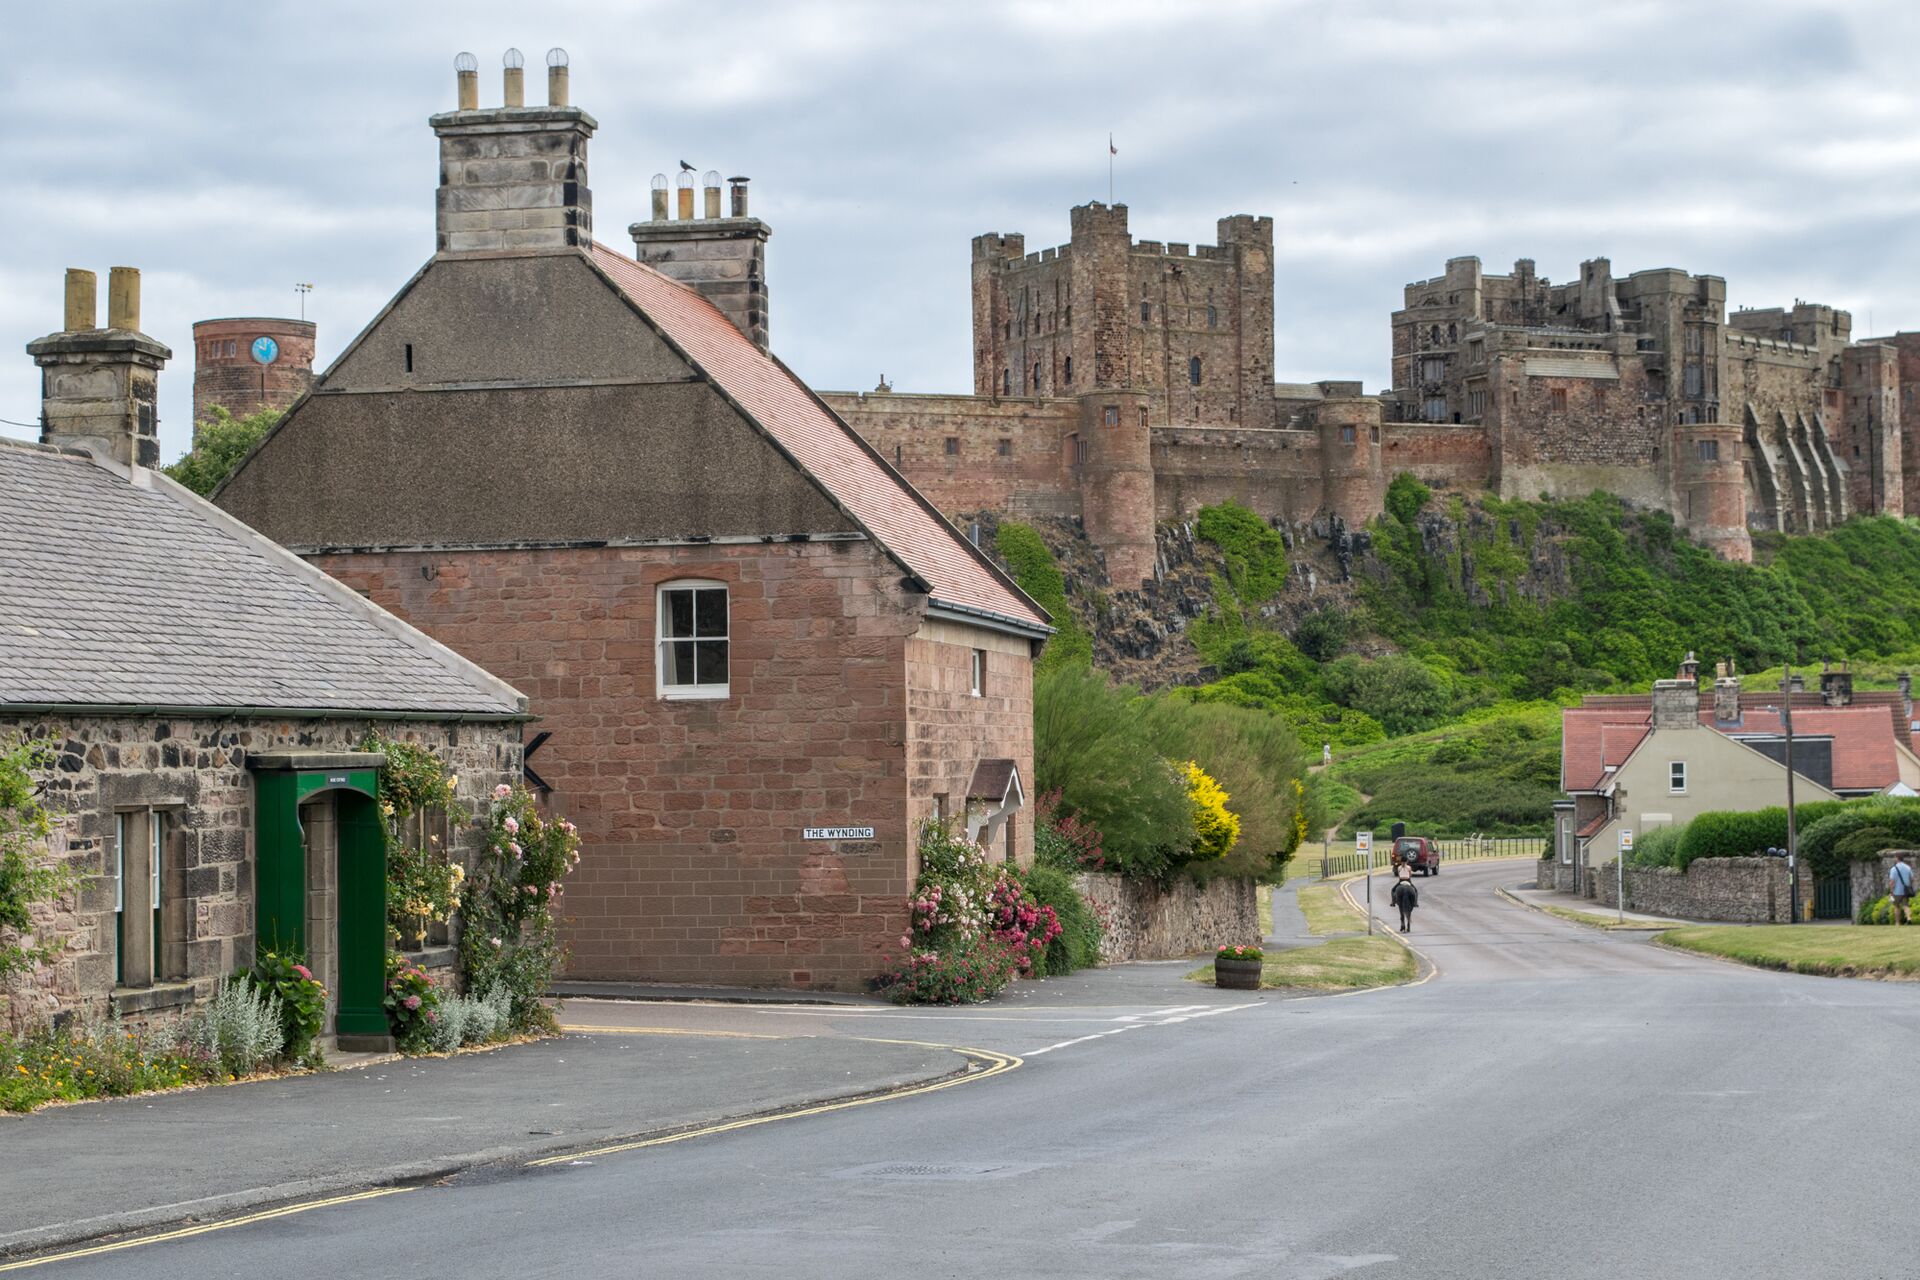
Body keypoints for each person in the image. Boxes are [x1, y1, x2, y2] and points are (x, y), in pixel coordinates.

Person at [1890, 853, 1915, 926]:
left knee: (1897, 906)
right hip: (1906, 890)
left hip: (1897, 891)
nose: (1894, 859)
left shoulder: (1894, 868)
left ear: (1897, 858)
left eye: (1894, 857)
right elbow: (1912, 879)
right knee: (1906, 905)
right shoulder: (1908, 867)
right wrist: (1908, 885)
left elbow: (1892, 882)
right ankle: (1909, 918)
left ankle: (1897, 923)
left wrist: (1891, 891)